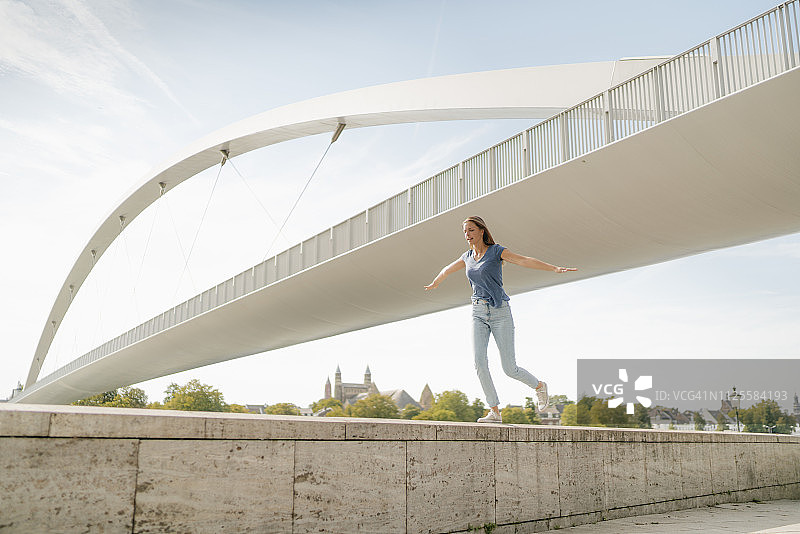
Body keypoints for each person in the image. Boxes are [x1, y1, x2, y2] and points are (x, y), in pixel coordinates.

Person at [424, 216, 576, 423]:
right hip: (477, 312)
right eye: (465, 232)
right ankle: (494, 411)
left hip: (500, 312)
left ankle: (539, 386)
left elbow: (524, 260)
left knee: (509, 368)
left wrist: (554, 268)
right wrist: (436, 282)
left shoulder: (496, 251)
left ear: (481, 231)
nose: (467, 235)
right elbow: (447, 270)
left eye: (471, 230)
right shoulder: (467, 256)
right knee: (479, 362)